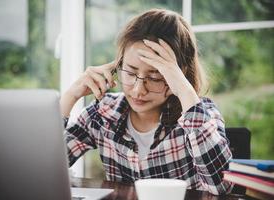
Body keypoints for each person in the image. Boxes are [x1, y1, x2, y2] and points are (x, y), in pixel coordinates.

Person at [60, 8, 233, 195]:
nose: (138, 90)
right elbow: (42, 169)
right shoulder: (102, 114)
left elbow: (221, 186)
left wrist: (184, 89)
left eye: (156, 77)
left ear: (178, 75)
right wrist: (70, 96)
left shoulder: (201, 114)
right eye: (131, 72)